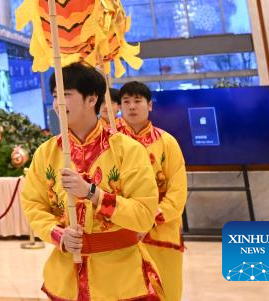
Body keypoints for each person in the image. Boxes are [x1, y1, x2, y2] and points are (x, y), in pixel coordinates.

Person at [20, 64, 163, 301]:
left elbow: (144, 215)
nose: (58, 103)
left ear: (92, 99)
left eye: (66, 95)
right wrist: (58, 235)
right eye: (55, 96)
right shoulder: (46, 153)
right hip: (66, 278)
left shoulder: (127, 150)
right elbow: (33, 206)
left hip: (122, 278)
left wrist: (94, 194)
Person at [118, 81, 188, 301]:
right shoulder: (110, 142)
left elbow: (177, 193)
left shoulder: (167, 143)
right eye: (126, 101)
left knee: (166, 291)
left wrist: (147, 220)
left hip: (161, 231)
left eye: (138, 101)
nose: (131, 106)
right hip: (121, 231)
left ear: (149, 105)